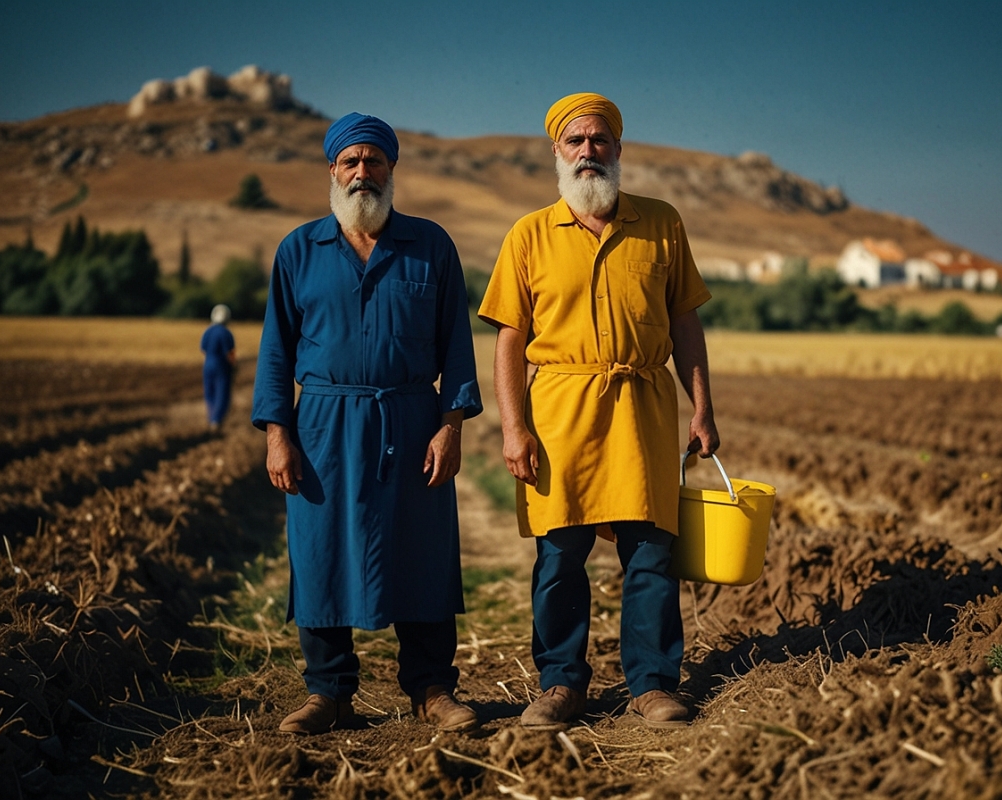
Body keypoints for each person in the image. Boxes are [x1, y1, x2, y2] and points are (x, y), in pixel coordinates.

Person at [478, 93, 719, 731]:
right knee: (559, 555)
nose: (589, 151)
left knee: (651, 553)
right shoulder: (528, 234)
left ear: (617, 149)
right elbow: (507, 337)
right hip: (558, 412)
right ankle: (560, 685)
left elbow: (685, 321)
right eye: (576, 142)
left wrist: (702, 407)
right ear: (557, 152)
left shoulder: (662, 223)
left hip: (642, 407)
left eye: (600, 140)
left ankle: (652, 684)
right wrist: (514, 426)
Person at [252, 112, 483, 735]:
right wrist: (278, 434)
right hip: (323, 425)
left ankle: (432, 689)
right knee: (320, 549)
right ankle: (328, 693)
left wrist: (451, 426)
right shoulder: (299, 250)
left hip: (410, 422)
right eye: (350, 162)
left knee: (423, 551)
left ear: (391, 169)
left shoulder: (430, 244)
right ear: (332, 171)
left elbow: (456, 343)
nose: (362, 172)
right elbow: (276, 349)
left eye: (374, 161)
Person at [201, 304, 236, 430]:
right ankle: (216, 420)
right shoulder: (226, 333)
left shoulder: (208, 331)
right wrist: (234, 367)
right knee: (221, 392)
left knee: (209, 391)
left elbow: (204, 350)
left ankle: (211, 417)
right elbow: (229, 354)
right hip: (221, 366)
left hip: (208, 365)